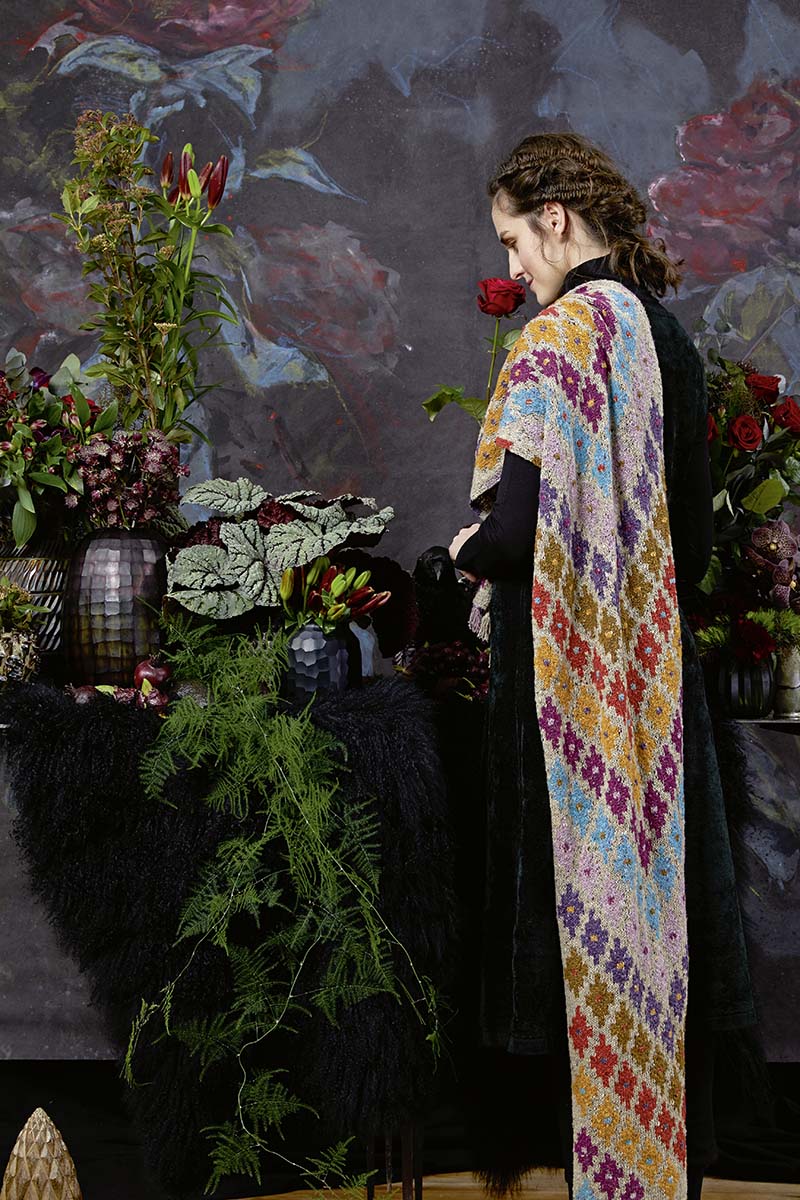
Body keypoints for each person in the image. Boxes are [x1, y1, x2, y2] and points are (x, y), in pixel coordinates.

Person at [448, 133, 756, 1200]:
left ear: (556, 218)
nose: (511, 265)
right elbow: (694, 550)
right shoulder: (666, 338)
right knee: (661, 926)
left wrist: (463, 549)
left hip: (563, 696)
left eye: (511, 240)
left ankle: (586, 1168)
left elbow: (514, 535)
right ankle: (665, 1170)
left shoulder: (555, 339)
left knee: (570, 930)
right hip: (654, 689)